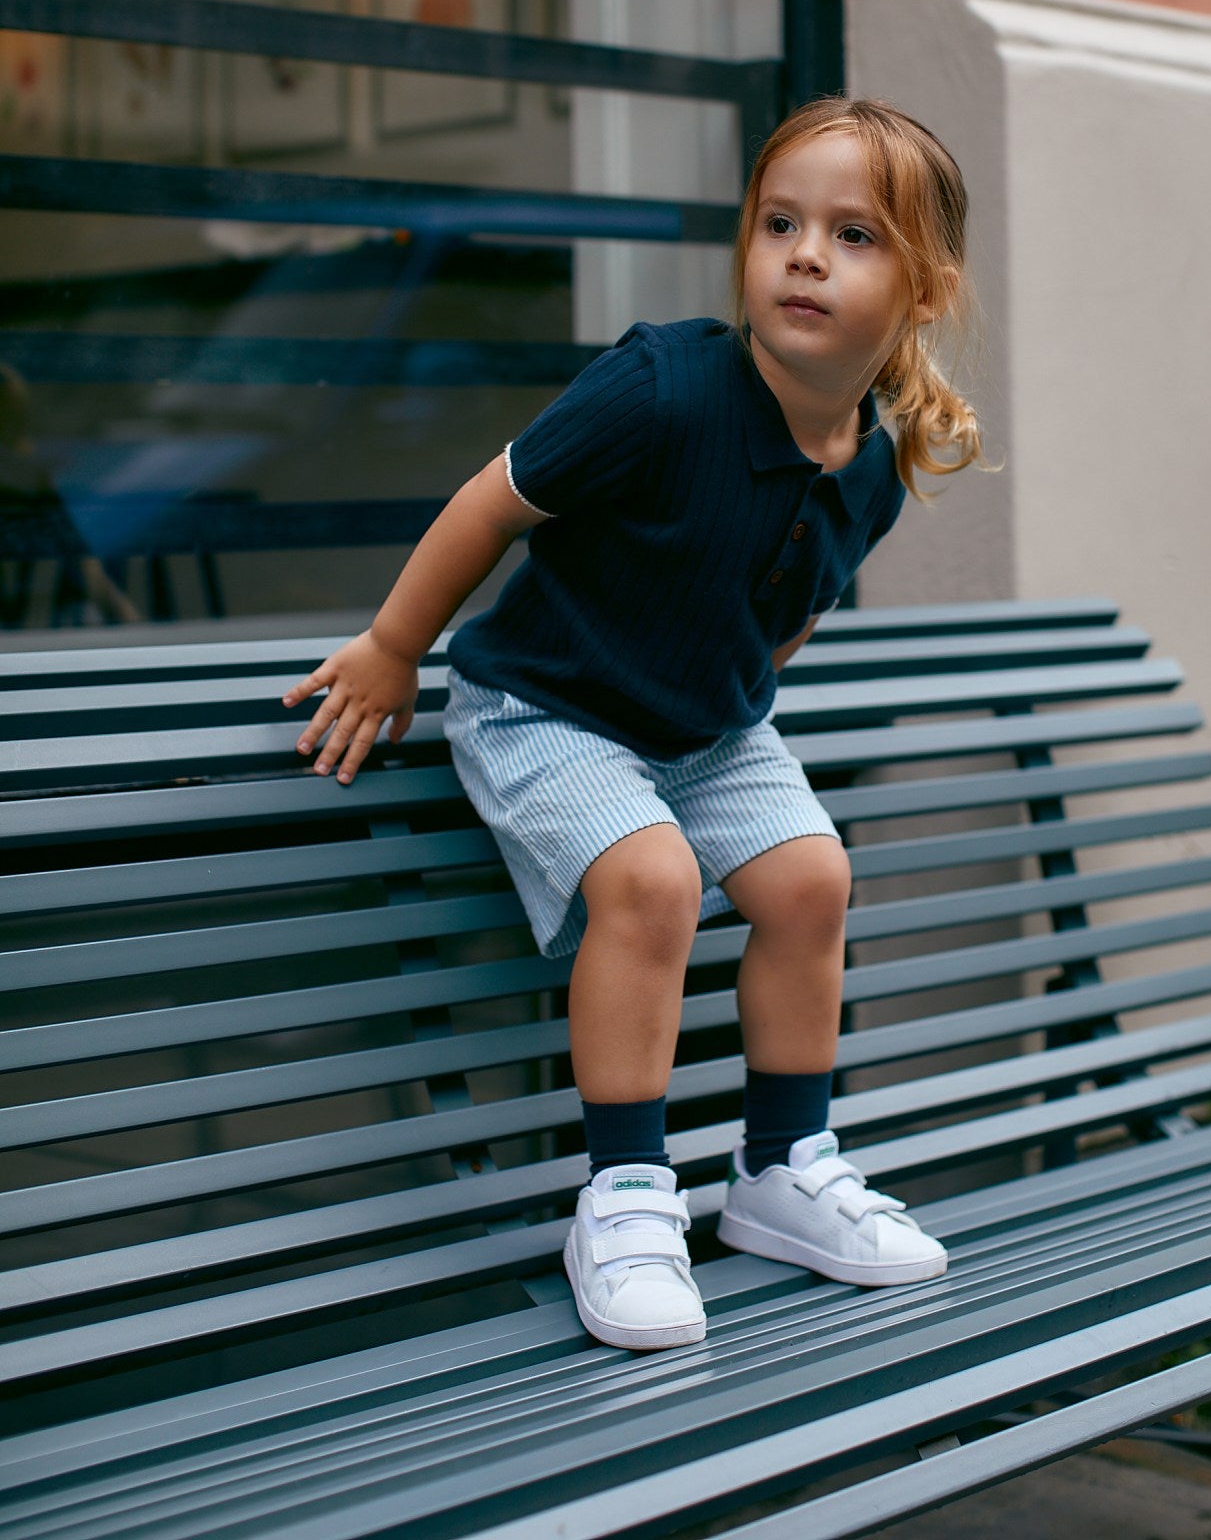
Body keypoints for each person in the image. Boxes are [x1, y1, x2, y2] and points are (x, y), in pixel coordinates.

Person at [284, 95, 995, 1352]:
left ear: (926, 287)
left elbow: (788, 603)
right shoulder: (662, 386)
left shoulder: (874, 457)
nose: (805, 255)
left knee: (813, 878)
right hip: (544, 706)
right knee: (655, 877)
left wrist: (733, 687)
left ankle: (780, 1169)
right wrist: (396, 649)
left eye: (854, 234)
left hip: (705, 726)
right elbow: (489, 502)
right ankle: (621, 1194)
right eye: (781, 221)